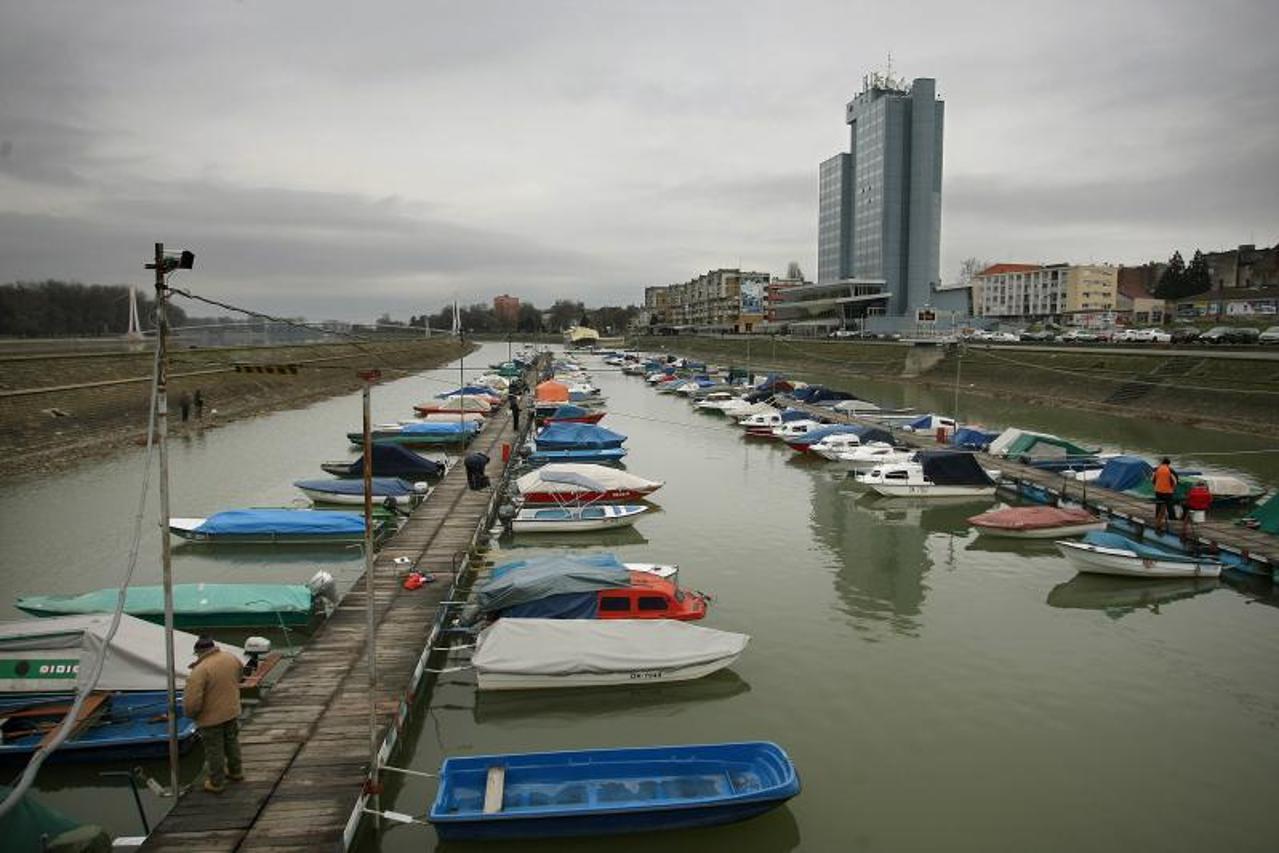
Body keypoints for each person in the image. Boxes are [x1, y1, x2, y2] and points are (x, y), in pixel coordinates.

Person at [184, 635, 244, 793]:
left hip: (211, 718)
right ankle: (236, 771)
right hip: (231, 710)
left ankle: (216, 782)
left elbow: (192, 702)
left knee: (214, 749)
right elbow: (240, 676)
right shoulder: (231, 658)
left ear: (199, 652)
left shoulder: (200, 670)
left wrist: (191, 714)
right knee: (232, 742)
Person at [1151, 457, 1178, 535]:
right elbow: (1175, 480)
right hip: (1168, 491)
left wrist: (1156, 486)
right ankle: (1172, 517)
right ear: (1168, 463)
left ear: (1162, 462)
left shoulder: (1157, 469)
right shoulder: (1170, 470)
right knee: (1169, 504)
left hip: (1158, 491)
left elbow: (1152, 480)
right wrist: (1173, 488)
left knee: (1159, 504)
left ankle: (1157, 516)